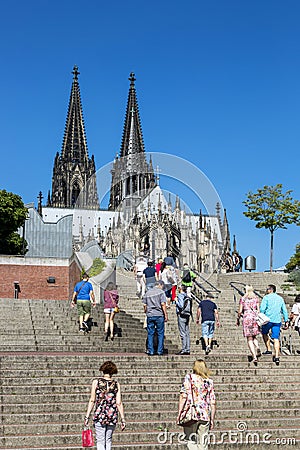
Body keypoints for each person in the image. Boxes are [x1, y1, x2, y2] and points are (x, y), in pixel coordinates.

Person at [84, 361, 126, 450]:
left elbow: (92, 400)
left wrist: (87, 416)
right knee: (108, 439)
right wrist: (123, 419)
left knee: (100, 440)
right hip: (112, 414)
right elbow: (119, 403)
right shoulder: (116, 384)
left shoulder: (96, 382)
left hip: (100, 414)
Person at [177, 359, 216, 450]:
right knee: (203, 443)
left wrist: (180, 412)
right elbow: (213, 402)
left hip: (191, 413)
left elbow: (183, 396)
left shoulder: (189, 378)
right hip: (205, 414)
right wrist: (212, 419)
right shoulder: (209, 381)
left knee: (191, 440)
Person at [260, 284, 289, 365]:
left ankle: (269, 349)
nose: (266, 290)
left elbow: (262, 308)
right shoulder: (280, 298)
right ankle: (276, 356)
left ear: (270, 290)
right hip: (277, 320)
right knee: (276, 338)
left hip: (267, 320)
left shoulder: (266, 298)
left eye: (267, 289)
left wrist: (261, 316)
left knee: (264, 333)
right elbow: (284, 310)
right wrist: (286, 320)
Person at [237, 285, 261, 365]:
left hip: (247, 317)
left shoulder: (243, 299)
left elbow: (240, 311)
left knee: (249, 338)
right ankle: (257, 346)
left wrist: (238, 318)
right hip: (254, 317)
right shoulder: (256, 299)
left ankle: (254, 356)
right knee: (254, 336)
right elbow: (258, 310)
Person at [142, 280, 168, 356]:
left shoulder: (148, 293)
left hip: (150, 315)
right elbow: (163, 304)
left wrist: (146, 311)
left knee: (150, 333)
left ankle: (151, 350)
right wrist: (165, 315)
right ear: (160, 285)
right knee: (160, 333)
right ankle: (160, 351)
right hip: (159, 314)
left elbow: (144, 305)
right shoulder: (161, 292)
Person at [176, 285, 191, 355]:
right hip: (187, 315)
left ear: (180, 289)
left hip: (181, 314)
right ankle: (187, 349)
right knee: (187, 332)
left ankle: (184, 349)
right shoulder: (187, 296)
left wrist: (176, 301)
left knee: (183, 333)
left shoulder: (180, 295)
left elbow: (181, 305)